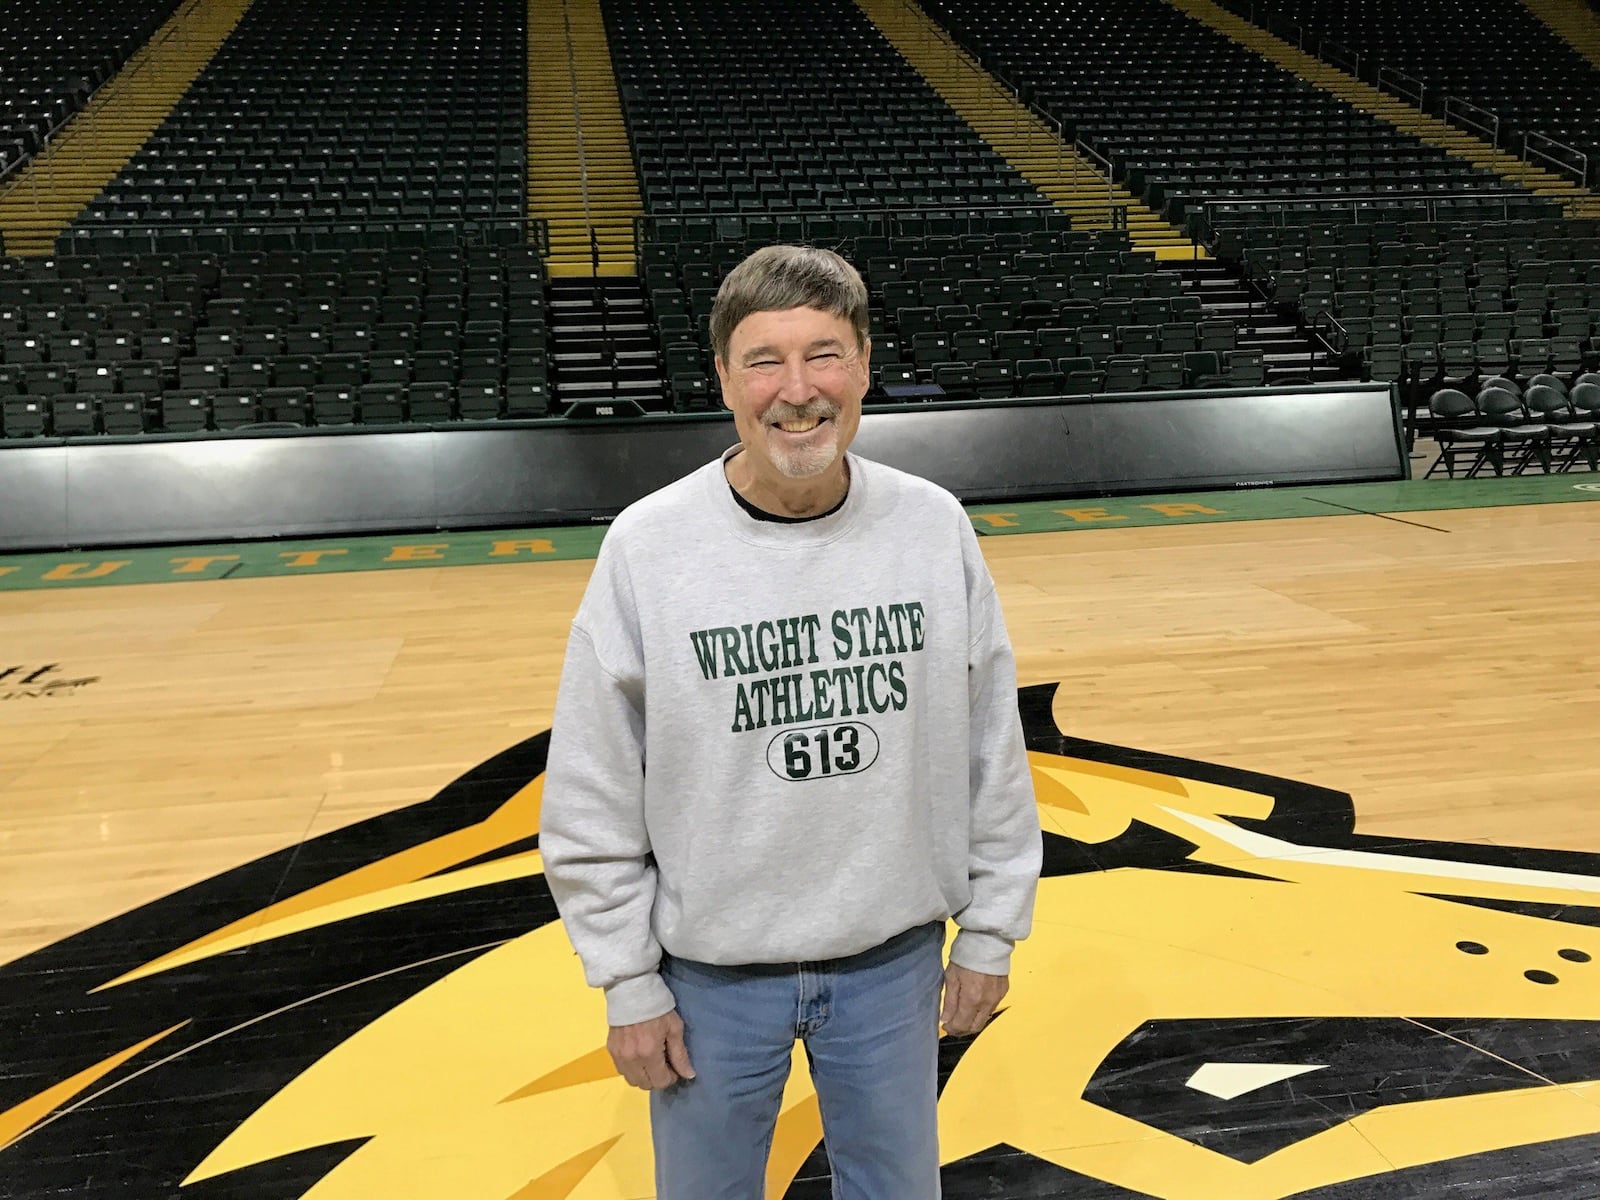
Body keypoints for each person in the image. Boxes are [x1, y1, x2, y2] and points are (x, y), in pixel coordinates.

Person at [541, 244, 1042, 1199]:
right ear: (724, 377)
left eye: (824, 354)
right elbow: (594, 782)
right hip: (708, 978)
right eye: (764, 359)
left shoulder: (932, 525)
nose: (797, 389)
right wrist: (626, 978)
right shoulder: (651, 544)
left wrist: (990, 929)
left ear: (863, 367)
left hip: (893, 962)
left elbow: (991, 742)